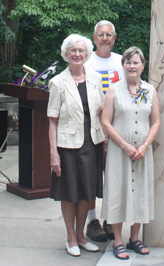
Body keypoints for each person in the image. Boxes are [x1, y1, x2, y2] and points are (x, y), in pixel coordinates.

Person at [101, 47, 161, 260]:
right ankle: (118, 240)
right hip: (120, 151)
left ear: (143, 65)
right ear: (123, 65)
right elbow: (105, 122)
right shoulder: (113, 90)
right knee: (118, 191)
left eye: (136, 62)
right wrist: (125, 145)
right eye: (128, 62)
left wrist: (145, 146)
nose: (132, 66)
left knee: (140, 193)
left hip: (142, 153)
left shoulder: (150, 90)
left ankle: (134, 238)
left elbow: (155, 121)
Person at [47, 34, 105, 257]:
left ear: (87, 54)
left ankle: (81, 236)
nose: (77, 54)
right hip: (67, 146)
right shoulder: (57, 83)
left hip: (93, 143)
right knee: (69, 192)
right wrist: (54, 153)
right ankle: (70, 237)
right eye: (73, 50)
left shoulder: (95, 78)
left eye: (81, 50)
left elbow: (101, 113)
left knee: (87, 193)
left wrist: (106, 139)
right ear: (66, 54)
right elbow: (52, 120)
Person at [85, 20, 125, 242]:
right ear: (94, 38)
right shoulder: (86, 61)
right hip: (92, 127)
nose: (105, 38)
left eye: (109, 35)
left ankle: (111, 220)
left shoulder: (121, 61)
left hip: (117, 127)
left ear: (115, 38)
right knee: (92, 176)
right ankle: (92, 221)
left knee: (113, 176)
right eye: (100, 35)